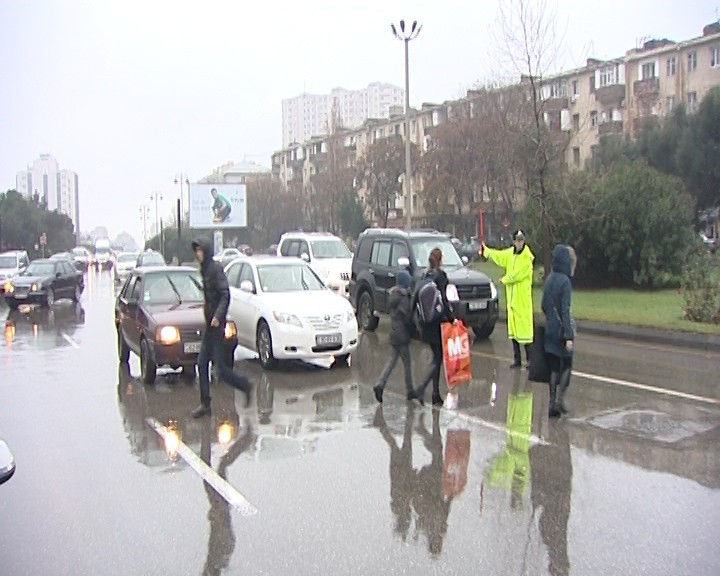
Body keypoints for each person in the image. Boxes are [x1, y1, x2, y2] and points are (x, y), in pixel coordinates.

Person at [191, 238, 252, 418]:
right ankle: (205, 404)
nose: (198, 254)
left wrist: (218, 316)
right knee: (201, 364)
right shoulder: (204, 270)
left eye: (200, 251)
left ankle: (245, 385)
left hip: (217, 327)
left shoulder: (215, 269)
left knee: (220, 369)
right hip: (209, 326)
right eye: (196, 251)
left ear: (206, 251)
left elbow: (225, 295)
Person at [482, 230, 535, 369]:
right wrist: (486, 251)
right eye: (517, 240)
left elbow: (518, 275)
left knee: (525, 331)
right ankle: (517, 359)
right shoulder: (510, 254)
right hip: (512, 300)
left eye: (521, 240)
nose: (519, 242)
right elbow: (499, 255)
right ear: (513, 241)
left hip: (522, 300)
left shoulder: (526, 258)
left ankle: (530, 359)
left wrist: (504, 280)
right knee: (513, 331)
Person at [412, 248, 455, 407]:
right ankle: (423, 389)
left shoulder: (425, 275)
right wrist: (452, 319)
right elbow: (443, 300)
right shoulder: (441, 276)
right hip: (437, 322)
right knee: (438, 358)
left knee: (437, 356)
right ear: (440, 259)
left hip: (425, 322)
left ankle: (435, 393)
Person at [541, 245, 576, 418]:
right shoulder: (565, 282)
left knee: (553, 367)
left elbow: (543, 305)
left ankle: (551, 403)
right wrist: (569, 336)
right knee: (567, 364)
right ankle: (560, 400)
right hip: (562, 331)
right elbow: (566, 310)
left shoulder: (549, 279)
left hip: (550, 329)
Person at [373, 270, 415, 403]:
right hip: (402, 335)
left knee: (391, 362)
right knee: (408, 364)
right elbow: (407, 317)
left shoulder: (394, 295)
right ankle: (410, 391)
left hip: (394, 333)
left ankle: (380, 384)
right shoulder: (404, 298)